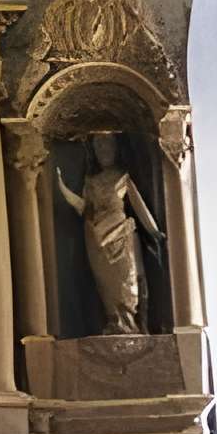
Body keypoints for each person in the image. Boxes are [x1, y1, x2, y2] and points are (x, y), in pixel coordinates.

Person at [56, 132, 164, 334]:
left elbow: (139, 205)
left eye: (107, 146)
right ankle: (116, 323)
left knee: (128, 282)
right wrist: (61, 186)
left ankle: (132, 326)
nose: (103, 151)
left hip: (121, 237)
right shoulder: (91, 182)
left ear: (116, 149)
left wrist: (154, 231)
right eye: (99, 147)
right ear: (94, 151)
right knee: (108, 289)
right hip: (97, 241)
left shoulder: (123, 177)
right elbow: (83, 207)